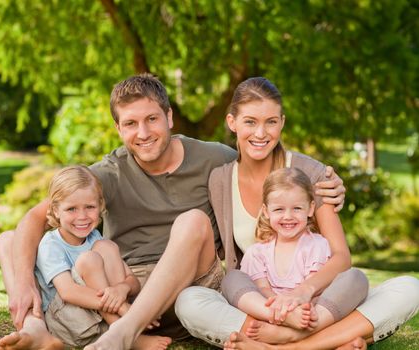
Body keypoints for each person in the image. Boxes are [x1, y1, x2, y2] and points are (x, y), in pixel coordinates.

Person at [0, 73, 345, 350]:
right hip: (124, 289)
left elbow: (265, 158)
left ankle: (122, 334)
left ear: (170, 117)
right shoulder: (107, 173)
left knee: (192, 221)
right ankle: (37, 328)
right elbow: (37, 216)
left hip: (191, 282)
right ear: (118, 129)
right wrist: (23, 283)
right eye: (130, 124)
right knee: (10, 241)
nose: (143, 133)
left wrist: (322, 182)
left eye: (152, 119)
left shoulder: (214, 158)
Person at [174, 77, 419, 350]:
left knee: (410, 289)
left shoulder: (310, 173)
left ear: (282, 122)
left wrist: (303, 293)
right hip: (261, 307)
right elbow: (226, 265)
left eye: (271, 122)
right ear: (232, 123)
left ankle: (286, 344)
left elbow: (341, 256)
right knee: (189, 301)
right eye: (250, 122)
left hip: (316, 303)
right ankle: (330, 340)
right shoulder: (219, 180)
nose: (260, 133)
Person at [32, 165, 171, 350]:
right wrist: (126, 310)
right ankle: (126, 331)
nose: (82, 216)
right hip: (67, 322)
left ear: (100, 206)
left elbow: (133, 281)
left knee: (106, 247)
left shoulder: (96, 239)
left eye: (90, 207)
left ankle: (122, 329)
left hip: (96, 317)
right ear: (56, 210)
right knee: (89, 260)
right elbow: (68, 292)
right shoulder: (51, 244)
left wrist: (121, 289)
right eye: (71, 209)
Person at [236, 167, 367, 342]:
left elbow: (314, 293)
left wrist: (300, 311)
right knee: (232, 278)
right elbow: (262, 290)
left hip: (310, 311)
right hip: (273, 312)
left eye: (297, 208)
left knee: (356, 278)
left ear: (310, 209)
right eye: (279, 210)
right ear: (266, 212)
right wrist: (285, 312)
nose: (288, 216)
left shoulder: (316, 245)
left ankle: (288, 336)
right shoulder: (257, 253)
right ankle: (327, 340)